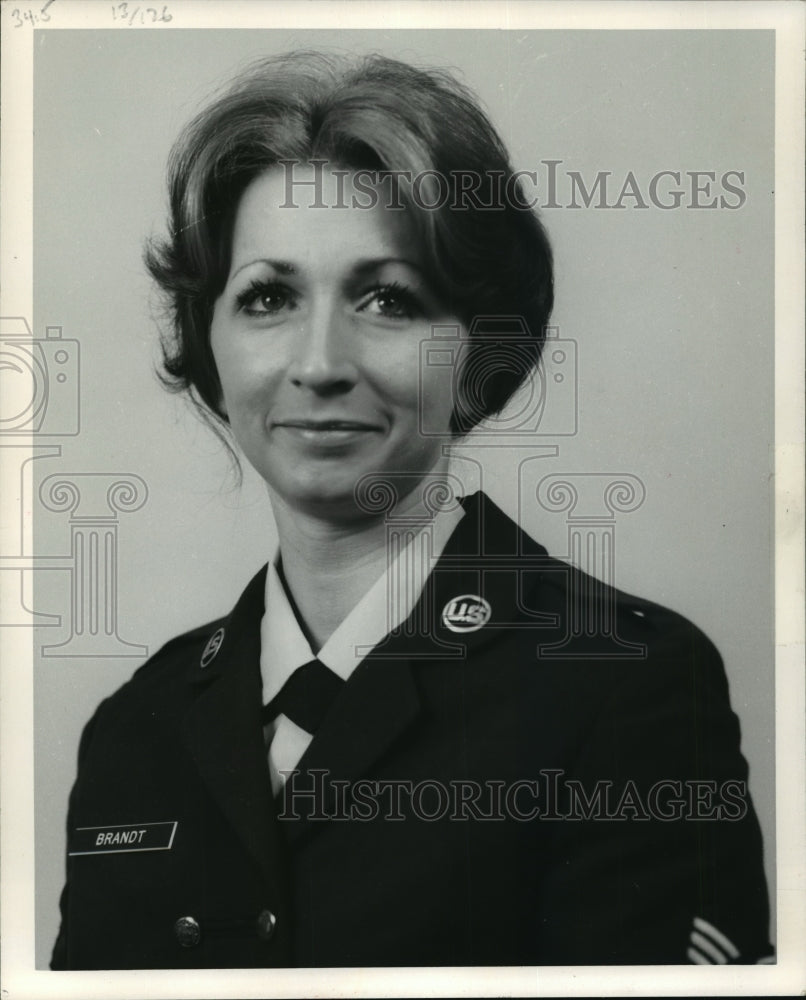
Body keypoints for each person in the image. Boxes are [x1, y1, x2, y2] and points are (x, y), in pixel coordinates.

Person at [51, 50, 772, 969]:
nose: (319, 363)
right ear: (208, 344)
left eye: (389, 299)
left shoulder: (626, 689)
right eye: (267, 297)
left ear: (478, 348)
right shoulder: (134, 728)